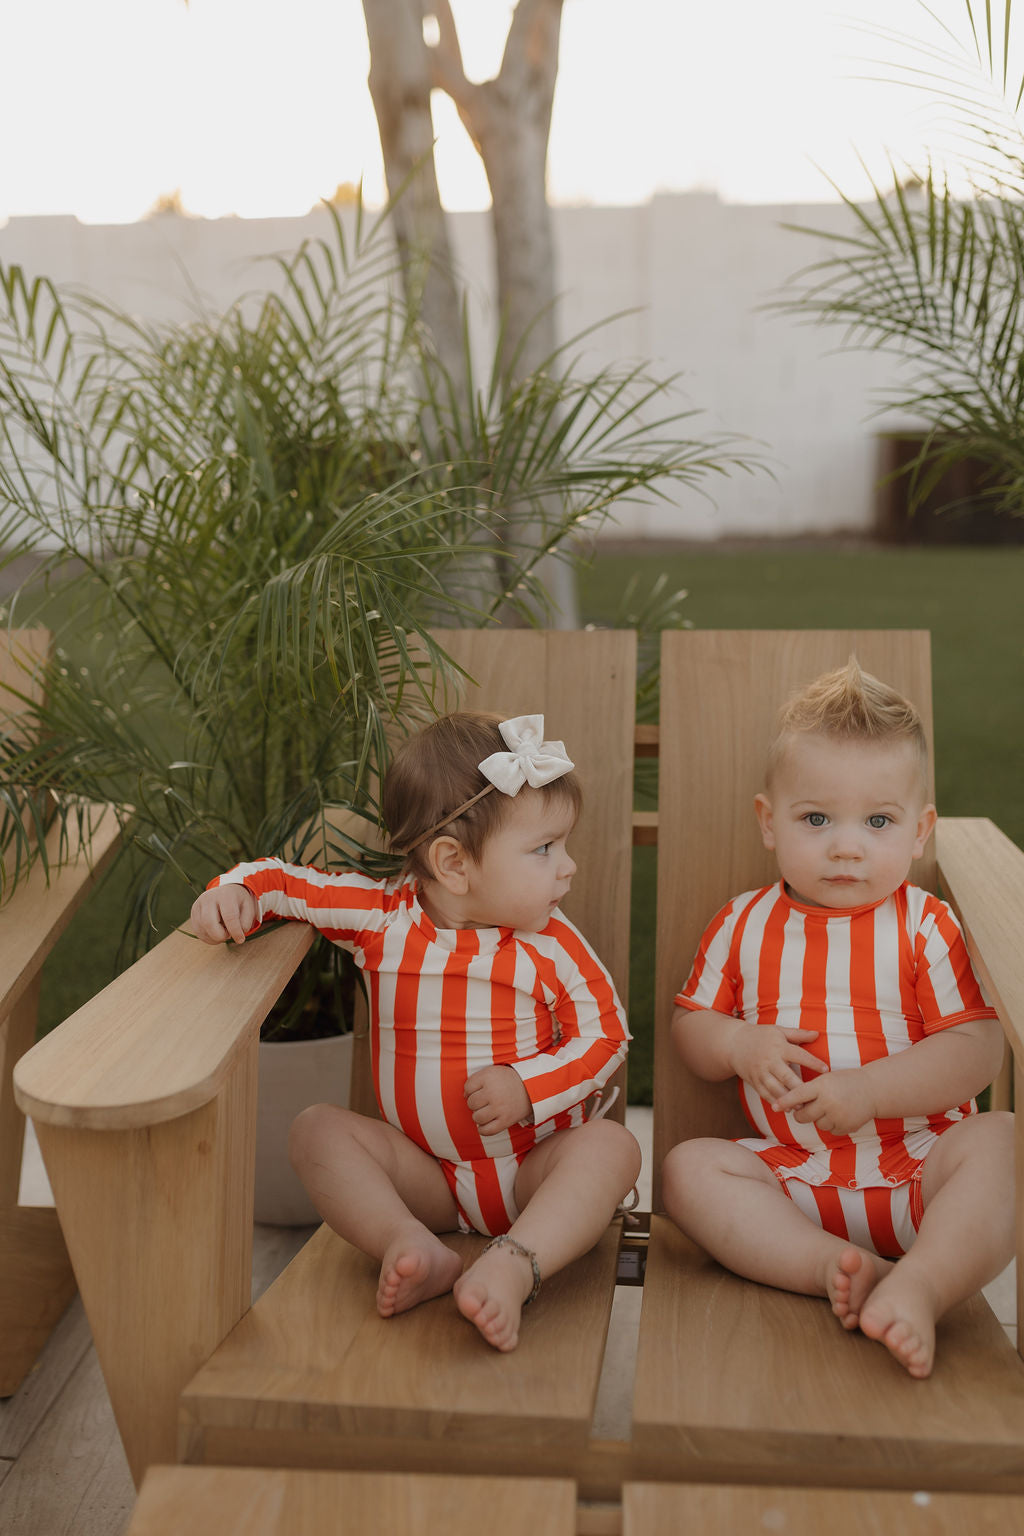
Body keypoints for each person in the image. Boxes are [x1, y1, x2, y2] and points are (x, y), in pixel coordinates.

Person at [191, 710, 640, 1353]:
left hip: (532, 1172)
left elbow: (607, 1036)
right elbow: (291, 884)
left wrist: (527, 1086)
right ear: (453, 863)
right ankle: (406, 1242)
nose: (567, 867)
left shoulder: (552, 944)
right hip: (425, 1176)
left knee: (611, 1150)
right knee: (316, 1130)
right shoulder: (380, 921)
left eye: (563, 845)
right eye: (545, 849)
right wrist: (236, 892)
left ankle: (518, 1261)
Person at [662, 660, 1012, 1379]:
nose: (846, 845)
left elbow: (977, 1050)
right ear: (769, 822)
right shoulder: (743, 923)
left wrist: (872, 1092)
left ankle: (922, 1283)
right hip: (792, 1184)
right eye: (816, 819)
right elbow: (690, 1029)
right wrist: (735, 1040)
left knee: (1006, 1142)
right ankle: (832, 1267)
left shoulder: (924, 926)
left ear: (920, 833)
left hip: (921, 1172)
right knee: (688, 1170)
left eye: (878, 821)